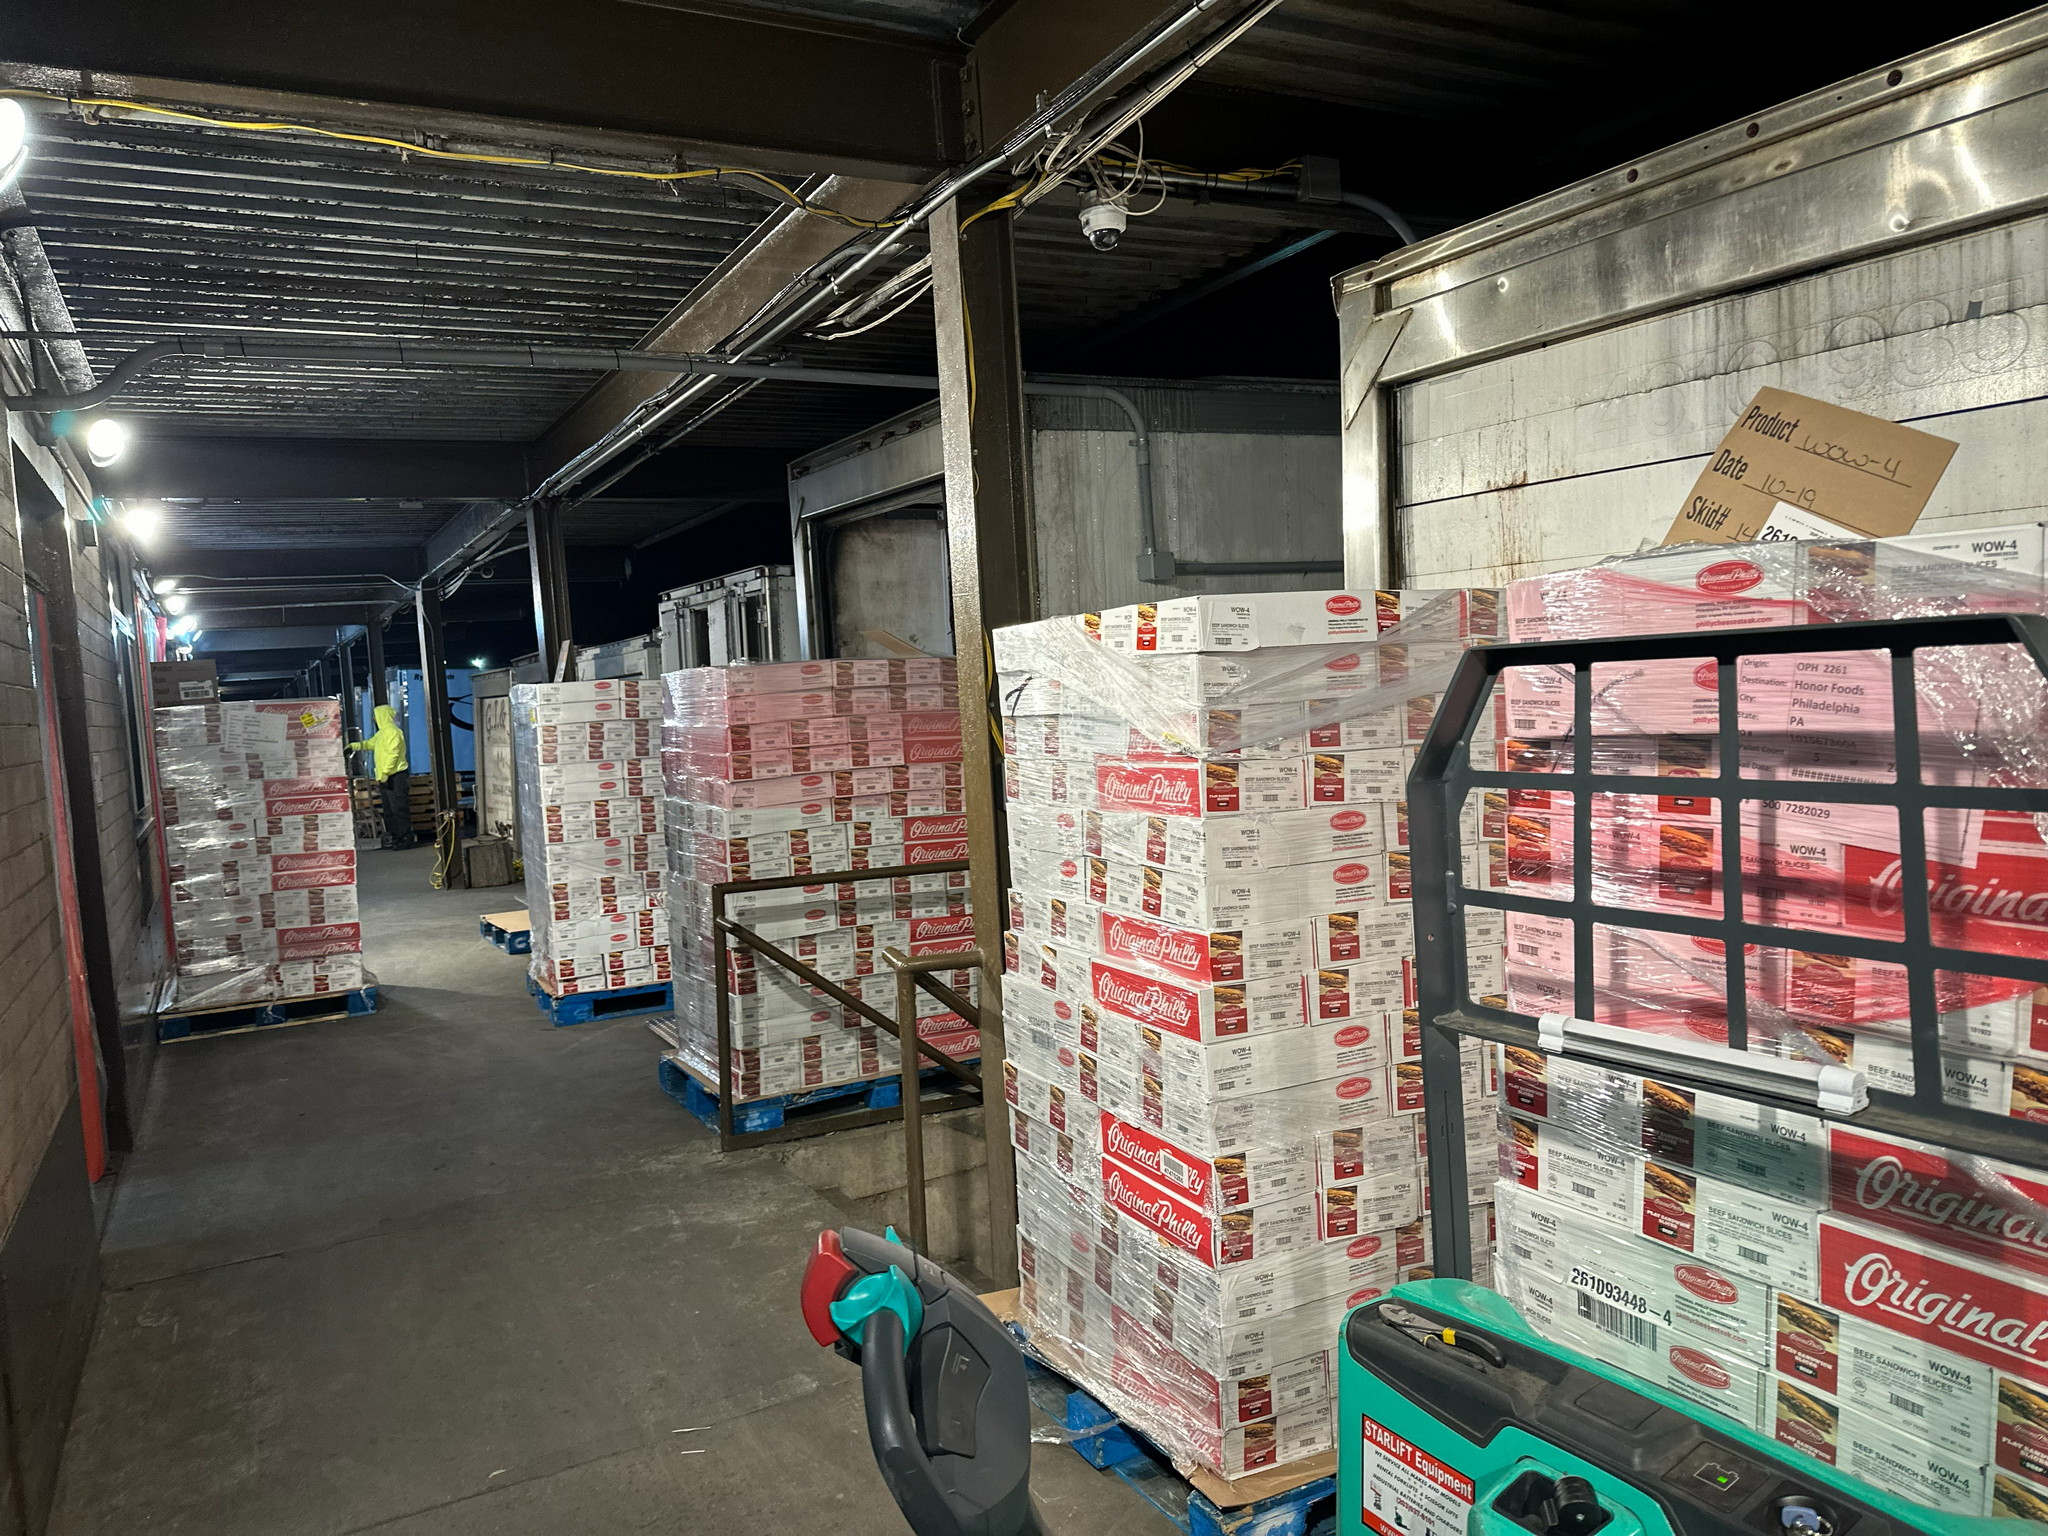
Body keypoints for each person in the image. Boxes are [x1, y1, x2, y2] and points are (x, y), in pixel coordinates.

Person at [347, 704, 417, 849]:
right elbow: (370, 744)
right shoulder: (382, 733)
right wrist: (353, 746)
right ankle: (395, 837)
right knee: (390, 810)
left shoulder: (393, 732)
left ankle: (405, 838)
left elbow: (393, 754)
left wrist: (386, 772)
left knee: (399, 809)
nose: (374, 719)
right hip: (387, 777)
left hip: (396, 776)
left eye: (376, 716)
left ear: (382, 716)